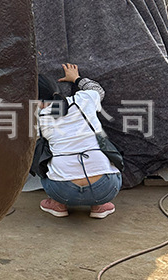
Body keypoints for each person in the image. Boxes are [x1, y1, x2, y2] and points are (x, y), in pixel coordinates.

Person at [37, 63, 122, 219]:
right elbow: (97, 90)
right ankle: (99, 205)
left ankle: (58, 204)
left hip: (62, 191)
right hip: (106, 188)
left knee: (41, 155)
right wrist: (76, 78)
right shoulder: (83, 100)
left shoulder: (40, 118)